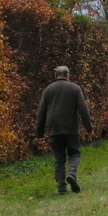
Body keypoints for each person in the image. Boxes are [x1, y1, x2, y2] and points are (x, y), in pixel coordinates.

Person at [36, 66, 94, 195]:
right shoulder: (75, 89)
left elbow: (41, 112)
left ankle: (62, 188)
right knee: (74, 153)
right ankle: (72, 172)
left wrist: (39, 132)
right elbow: (83, 109)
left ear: (55, 75)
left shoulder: (48, 90)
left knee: (59, 158)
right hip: (71, 128)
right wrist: (89, 128)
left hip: (55, 129)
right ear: (67, 75)